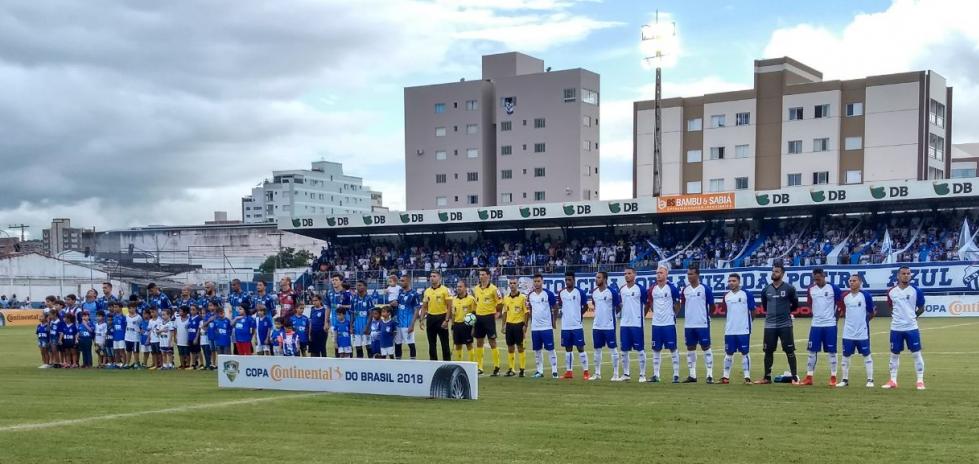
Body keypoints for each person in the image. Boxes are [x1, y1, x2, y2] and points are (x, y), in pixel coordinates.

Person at [756, 262, 800, 384]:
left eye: (777, 271)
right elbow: (765, 306)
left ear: (782, 274)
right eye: (773, 271)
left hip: (785, 324)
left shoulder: (789, 288)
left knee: (789, 350)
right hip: (769, 325)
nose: (774, 273)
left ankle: (794, 377)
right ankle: (767, 377)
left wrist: (786, 312)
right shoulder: (766, 290)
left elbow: (795, 304)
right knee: (768, 351)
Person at [884, 266, 926, 390]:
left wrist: (912, 317)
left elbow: (921, 308)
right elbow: (891, 306)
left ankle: (920, 381)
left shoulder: (915, 291)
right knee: (894, 354)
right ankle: (893, 380)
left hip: (911, 328)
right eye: (903, 273)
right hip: (896, 328)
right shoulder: (891, 292)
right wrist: (897, 317)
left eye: (908, 273)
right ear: (898, 275)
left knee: (916, 354)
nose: (906, 275)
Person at [802, 268, 843, 386]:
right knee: (811, 351)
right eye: (815, 280)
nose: (817, 282)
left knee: (832, 351)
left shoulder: (833, 288)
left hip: (830, 325)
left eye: (819, 279)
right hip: (816, 325)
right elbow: (810, 304)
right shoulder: (811, 289)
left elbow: (840, 305)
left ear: (824, 276)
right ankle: (809, 377)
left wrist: (835, 320)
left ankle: (833, 377)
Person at [680, 265, 715, 384]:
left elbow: (712, 306)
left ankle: (709, 374)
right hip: (689, 325)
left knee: (706, 347)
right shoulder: (685, 290)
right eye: (688, 274)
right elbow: (683, 304)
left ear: (697, 275)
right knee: (690, 348)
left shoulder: (705, 289)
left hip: (702, 324)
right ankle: (692, 375)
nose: (689, 276)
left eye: (691, 274)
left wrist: (706, 317)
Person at [839, 275, 876, 388]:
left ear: (860, 282)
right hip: (848, 332)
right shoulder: (845, 296)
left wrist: (864, 322)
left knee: (866, 355)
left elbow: (872, 312)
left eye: (854, 281)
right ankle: (844, 380)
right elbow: (842, 311)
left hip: (862, 332)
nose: (852, 283)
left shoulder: (866, 296)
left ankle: (870, 380)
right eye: (850, 281)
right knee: (845, 356)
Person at [649, 265, 682, 383]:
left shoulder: (672, 288)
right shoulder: (652, 288)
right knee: (656, 349)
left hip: (668, 324)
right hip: (656, 324)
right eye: (657, 273)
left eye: (661, 273)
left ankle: (676, 375)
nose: (658, 275)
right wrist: (657, 314)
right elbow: (651, 304)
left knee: (673, 348)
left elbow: (678, 304)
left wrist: (673, 315)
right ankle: (656, 375)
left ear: (666, 274)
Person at [721, 273, 755, 384]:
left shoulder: (746, 294)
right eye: (729, 281)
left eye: (734, 281)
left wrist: (748, 323)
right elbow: (726, 312)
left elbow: (753, 311)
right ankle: (725, 377)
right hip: (730, 330)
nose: (731, 283)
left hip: (743, 329)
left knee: (745, 353)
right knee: (728, 353)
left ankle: (747, 377)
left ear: (739, 282)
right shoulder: (726, 296)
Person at [616, 267, 648, 382]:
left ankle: (642, 375)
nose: (627, 275)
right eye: (625, 274)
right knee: (624, 350)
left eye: (629, 273)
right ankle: (626, 374)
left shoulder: (641, 289)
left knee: (640, 349)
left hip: (637, 323)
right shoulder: (622, 289)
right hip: (624, 324)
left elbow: (646, 303)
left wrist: (641, 317)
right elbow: (620, 305)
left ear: (635, 275)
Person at [557, 271, 589, 380]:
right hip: (565, 326)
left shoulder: (580, 292)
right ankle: (569, 372)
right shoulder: (561, 293)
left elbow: (585, 306)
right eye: (566, 280)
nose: (567, 282)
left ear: (574, 280)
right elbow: (561, 305)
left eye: (569, 280)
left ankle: (586, 371)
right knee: (568, 349)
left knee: (580, 348)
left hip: (577, 326)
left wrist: (579, 316)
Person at [590, 271, 621, 381]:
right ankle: (597, 373)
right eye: (596, 277)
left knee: (613, 349)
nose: (596, 279)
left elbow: (618, 306)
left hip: (609, 326)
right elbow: (595, 305)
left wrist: (612, 317)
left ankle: (616, 374)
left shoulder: (612, 292)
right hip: (597, 325)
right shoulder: (594, 292)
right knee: (597, 350)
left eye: (599, 277)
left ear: (605, 279)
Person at [471, 268, 502, 375]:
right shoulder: (476, 289)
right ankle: (479, 367)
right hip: (478, 318)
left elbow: (500, 302)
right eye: (480, 275)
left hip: (489, 317)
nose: (481, 276)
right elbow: (475, 305)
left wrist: (498, 313)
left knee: (492, 341)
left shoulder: (494, 289)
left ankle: (497, 367)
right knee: (479, 342)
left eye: (483, 274)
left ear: (488, 276)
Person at [527, 274, 558, 379]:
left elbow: (555, 307)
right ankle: (539, 371)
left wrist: (554, 321)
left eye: (538, 281)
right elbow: (530, 309)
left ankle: (554, 371)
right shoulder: (530, 295)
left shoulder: (548, 294)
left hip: (546, 327)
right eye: (535, 281)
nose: (536, 283)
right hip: (535, 328)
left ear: (542, 282)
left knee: (551, 349)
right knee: (537, 350)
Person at [421, 271, 452, 361]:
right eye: (431, 276)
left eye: (434, 276)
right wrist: (422, 320)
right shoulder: (427, 291)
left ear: (439, 278)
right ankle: (433, 364)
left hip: (442, 317)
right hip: (430, 318)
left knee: (445, 344)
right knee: (431, 344)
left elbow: (449, 306)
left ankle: (447, 364)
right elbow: (424, 307)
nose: (432, 278)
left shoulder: (445, 290)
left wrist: (446, 320)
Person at [501, 277, 528, 377]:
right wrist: (503, 325)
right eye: (511, 283)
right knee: (510, 347)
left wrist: (525, 325)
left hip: (519, 325)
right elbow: (504, 312)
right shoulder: (506, 298)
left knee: (520, 347)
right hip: (509, 325)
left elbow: (526, 313)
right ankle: (511, 369)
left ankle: (522, 369)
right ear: (509, 285)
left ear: (517, 285)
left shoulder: (522, 298)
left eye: (514, 283)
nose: (512, 285)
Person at [449, 281, 476, 362]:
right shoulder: (454, 299)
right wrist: (452, 327)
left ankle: (472, 363)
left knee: (469, 345)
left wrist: (473, 328)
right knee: (458, 345)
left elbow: (474, 314)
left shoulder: (471, 299)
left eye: (460, 286)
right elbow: (453, 314)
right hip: (457, 325)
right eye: (457, 286)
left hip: (467, 325)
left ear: (465, 288)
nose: (458, 288)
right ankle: (459, 363)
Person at [395, 275, 420, 359]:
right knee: (397, 344)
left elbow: (417, 310)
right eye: (400, 280)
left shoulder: (414, 294)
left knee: (411, 344)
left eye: (402, 281)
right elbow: (398, 303)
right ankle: (398, 363)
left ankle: (413, 363)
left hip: (407, 324)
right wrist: (394, 303)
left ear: (408, 281)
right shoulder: (400, 292)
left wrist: (412, 325)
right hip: (398, 324)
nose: (401, 282)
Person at [327, 274, 351, 356]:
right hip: (334, 322)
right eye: (333, 280)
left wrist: (342, 306)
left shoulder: (347, 294)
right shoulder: (329, 293)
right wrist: (326, 322)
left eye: (336, 280)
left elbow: (352, 306)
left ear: (341, 281)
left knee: (348, 343)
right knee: (336, 343)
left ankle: (350, 363)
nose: (334, 281)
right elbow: (328, 308)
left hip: (346, 321)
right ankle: (338, 365)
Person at [350, 281, 374, 358]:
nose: (357, 287)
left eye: (360, 285)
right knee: (358, 348)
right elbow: (352, 314)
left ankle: (372, 365)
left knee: (368, 347)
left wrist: (368, 327)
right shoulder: (354, 299)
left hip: (365, 328)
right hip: (356, 328)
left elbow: (371, 314)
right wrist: (351, 327)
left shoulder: (368, 298)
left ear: (365, 287)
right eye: (357, 285)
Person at [124, 297, 142, 368]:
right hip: (127, 337)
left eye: (133, 308)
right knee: (128, 351)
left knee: (135, 351)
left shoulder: (138, 317)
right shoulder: (126, 316)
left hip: (135, 337)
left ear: (135, 308)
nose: (132, 309)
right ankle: (127, 363)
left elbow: (141, 326)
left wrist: (140, 331)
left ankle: (136, 363)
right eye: (130, 308)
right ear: (128, 309)